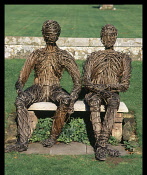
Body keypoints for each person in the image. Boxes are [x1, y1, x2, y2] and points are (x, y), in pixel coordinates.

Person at [5, 20, 81, 152]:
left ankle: (53, 137)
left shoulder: (63, 55)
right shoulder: (37, 54)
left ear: (58, 35)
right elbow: (22, 76)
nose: (51, 36)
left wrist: (73, 98)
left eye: (54, 33)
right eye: (48, 33)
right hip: (38, 88)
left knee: (65, 100)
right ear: (44, 35)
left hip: (54, 88)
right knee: (20, 100)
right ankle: (22, 141)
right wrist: (20, 89)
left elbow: (77, 81)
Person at [83, 24, 131, 160]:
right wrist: (99, 89)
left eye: (112, 35)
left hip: (111, 92)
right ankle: (103, 146)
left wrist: (107, 88)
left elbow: (124, 85)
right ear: (101, 38)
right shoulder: (93, 57)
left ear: (116, 37)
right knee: (94, 101)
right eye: (105, 35)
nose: (109, 38)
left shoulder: (124, 58)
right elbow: (86, 82)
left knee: (114, 101)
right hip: (94, 92)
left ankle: (100, 145)